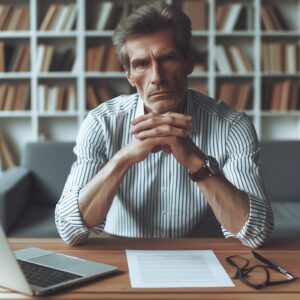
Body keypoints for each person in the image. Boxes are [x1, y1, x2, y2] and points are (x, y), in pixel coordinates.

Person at [55, 3, 273, 248]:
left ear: (189, 61)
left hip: (207, 257)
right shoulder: (101, 122)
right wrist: (123, 158)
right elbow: (68, 229)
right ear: (128, 74)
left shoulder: (232, 126)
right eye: (141, 64)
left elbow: (256, 233)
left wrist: (196, 163)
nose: (157, 77)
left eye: (167, 58)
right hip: (122, 256)